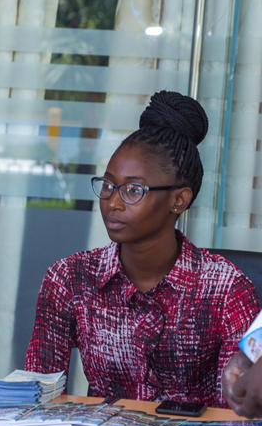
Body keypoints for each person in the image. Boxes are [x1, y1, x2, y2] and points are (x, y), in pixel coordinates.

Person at [24, 91, 260, 407]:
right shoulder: (69, 278)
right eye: (108, 185)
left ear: (179, 200)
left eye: (133, 190)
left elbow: (239, 409)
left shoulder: (226, 289)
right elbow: (38, 394)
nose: (113, 202)